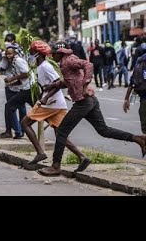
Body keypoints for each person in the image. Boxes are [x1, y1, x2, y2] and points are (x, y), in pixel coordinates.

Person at [37, 46, 146, 177]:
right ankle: (138, 139)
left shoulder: (69, 60)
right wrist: (53, 85)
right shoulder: (66, 63)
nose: (51, 57)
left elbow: (88, 64)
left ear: (60, 53)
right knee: (103, 130)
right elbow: (68, 81)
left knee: (61, 131)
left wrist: (85, 84)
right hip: (90, 101)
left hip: (83, 102)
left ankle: (55, 166)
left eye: (53, 54)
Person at [21, 41, 90, 171]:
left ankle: (40, 153)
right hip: (58, 104)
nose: (29, 56)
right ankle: (82, 157)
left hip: (50, 103)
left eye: (30, 53)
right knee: (60, 134)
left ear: (37, 54)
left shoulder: (45, 66)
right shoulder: (40, 66)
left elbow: (57, 82)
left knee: (25, 123)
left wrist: (45, 97)